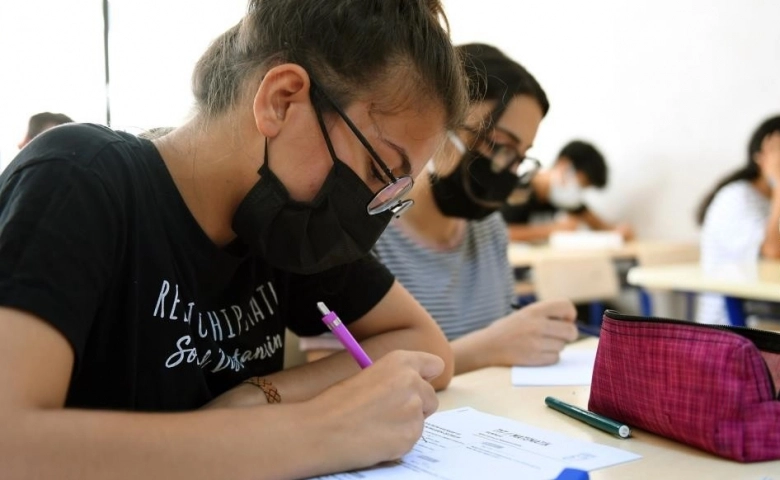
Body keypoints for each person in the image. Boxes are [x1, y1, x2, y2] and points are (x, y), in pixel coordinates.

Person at [0, 1, 469, 478]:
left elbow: (431, 352)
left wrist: (260, 395)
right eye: (380, 170)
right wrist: (322, 430)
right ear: (281, 100)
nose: (370, 208)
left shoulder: (288, 229)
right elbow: (11, 443)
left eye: (392, 192)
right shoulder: (79, 178)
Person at [300, 43, 578, 374]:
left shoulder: (489, 229)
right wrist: (485, 349)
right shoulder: (364, 230)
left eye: (519, 156)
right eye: (498, 145)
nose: (506, 168)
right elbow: (324, 372)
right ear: (439, 121)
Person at [696, 115, 780, 325]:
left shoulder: (771, 199)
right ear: (760, 158)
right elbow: (773, 251)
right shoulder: (736, 197)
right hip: (734, 324)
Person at [500, 140, 633, 242]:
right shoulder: (519, 189)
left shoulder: (565, 200)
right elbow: (502, 233)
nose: (578, 193)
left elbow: (602, 226)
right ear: (564, 165)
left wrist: (618, 232)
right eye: (580, 185)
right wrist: (554, 229)